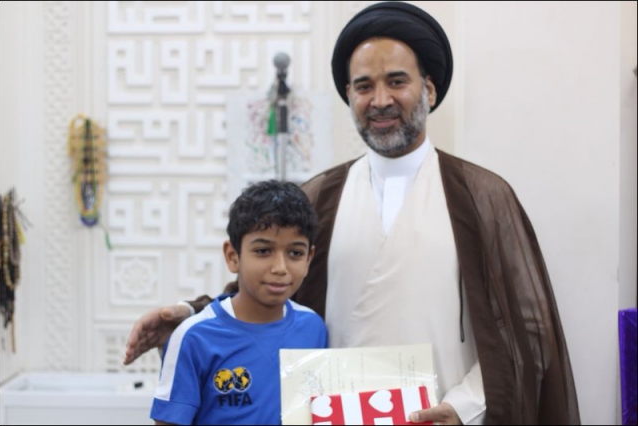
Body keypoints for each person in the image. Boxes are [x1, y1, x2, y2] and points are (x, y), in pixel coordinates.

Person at [127, 3, 580, 424]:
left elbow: (526, 329)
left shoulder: (480, 196)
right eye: (364, 86)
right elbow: (267, 289)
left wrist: (462, 407)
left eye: (396, 82)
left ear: (429, 88)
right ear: (349, 95)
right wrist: (189, 313)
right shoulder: (321, 195)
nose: (380, 100)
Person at [150, 180, 328, 425]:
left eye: (295, 253)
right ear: (233, 256)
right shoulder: (193, 337)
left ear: (309, 259)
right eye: (263, 251)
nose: (280, 268)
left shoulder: (314, 328)